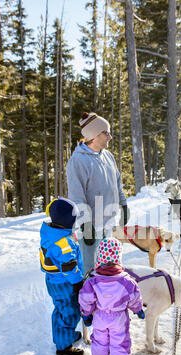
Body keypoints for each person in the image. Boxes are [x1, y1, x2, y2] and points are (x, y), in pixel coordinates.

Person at [66, 112, 129, 275]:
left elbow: (116, 184)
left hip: (108, 224)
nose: (110, 137)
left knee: (110, 268)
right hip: (90, 228)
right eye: (106, 133)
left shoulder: (108, 156)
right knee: (91, 271)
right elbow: (76, 196)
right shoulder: (78, 161)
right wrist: (86, 224)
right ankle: (88, 300)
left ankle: (109, 299)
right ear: (94, 136)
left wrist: (123, 204)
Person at [78, 238, 145, 355]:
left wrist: (86, 314)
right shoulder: (126, 282)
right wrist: (138, 309)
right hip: (118, 318)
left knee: (100, 340)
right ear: (118, 257)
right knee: (119, 342)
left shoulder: (92, 281)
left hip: (99, 317)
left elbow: (85, 299)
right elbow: (134, 297)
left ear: (99, 257)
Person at [39, 197, 85, 355]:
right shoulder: (63, 243)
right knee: (69, 311)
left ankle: (65, 335)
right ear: (67, 221)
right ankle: (64, 346)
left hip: (54, 280)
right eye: (74, 219)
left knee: (61, 309)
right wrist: (79, 283)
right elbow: (70, 268)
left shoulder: (51, 232)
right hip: (64, 283)